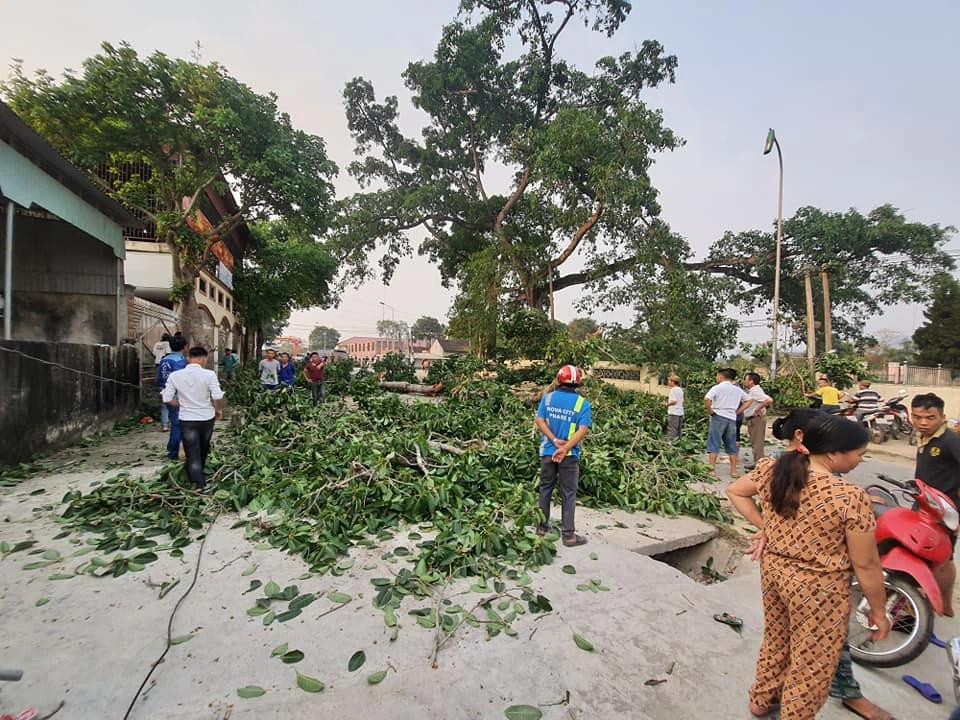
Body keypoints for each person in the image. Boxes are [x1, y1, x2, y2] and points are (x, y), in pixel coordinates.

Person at [729, 410, 896, 720]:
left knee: (777, 637)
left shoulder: (773, 469)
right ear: (834, 454)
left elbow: (735, 491)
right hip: (820, 590)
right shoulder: (848, 496)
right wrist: (878, 610)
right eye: (859, 454)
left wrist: (767, 527)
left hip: (775, 574)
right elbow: (867, 563)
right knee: (813, 660)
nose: (860, 460)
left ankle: (761, 700)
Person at [911, 392, 960, 617]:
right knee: (928, 556)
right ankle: (932, 605)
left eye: (930, 417)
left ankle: (941, 607)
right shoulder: (924, 437)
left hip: (944, 512)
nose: (923, 422)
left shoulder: (950, 441)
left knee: (943, 559)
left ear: (942, 417)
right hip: (923, 506)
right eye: (917, 416)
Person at [535, 365, 592, 548]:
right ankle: (568, 536)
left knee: (545, 489)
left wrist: (554, 441)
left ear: (559, 380)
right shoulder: (583, 404)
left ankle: (541, 529)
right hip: (569, 456)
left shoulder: (548, 398)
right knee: (568, 493)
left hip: (548, 452)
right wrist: (566, 448)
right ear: (578, 383)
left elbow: (539, 420)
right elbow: (583, 430)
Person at [161, 347, 225, 491]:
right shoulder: (209, 375)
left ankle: (196, 480)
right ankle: (199, 481)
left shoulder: (175, 376)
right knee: (203, 448)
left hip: (187, 418)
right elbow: (217, 396)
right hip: (206, 418)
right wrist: (219, 410)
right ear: (204, 359)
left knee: (192, 451)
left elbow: (167, 398)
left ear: (188, 358)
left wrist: (181, 404)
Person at [704, 368, 748, 477]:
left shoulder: (717, 388)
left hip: (718, 416)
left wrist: (710, 411)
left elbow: (707, 398)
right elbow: (748, 400)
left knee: (714, 443)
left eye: (717, 375)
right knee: (731, 444)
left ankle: (712, 470)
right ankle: (733, 471)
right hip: (732, 418)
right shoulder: (737, 389)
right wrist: (738, 411)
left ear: (721, 376)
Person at [156, 337, 187, 458]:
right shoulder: (180, 361)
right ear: (184, 347)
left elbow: (159, 378)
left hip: (164, 391)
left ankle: (165, 426)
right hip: (176, 394)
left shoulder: (164, 359)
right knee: (178, 423)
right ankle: (173, 451)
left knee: (170, 415)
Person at [740, 372, 773, 469]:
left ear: (751, 381)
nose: (744, 381)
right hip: (753, 419)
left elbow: (769, 400)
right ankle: (757, 463)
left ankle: (760, 465)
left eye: (746, 379)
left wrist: (758, 409)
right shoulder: (753, 391)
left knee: (757, 442)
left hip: (756, 419)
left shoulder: (755, 391)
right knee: (755, 442)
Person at [665, 374, 684, 440]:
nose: (668, 382)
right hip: (680, 412)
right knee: (678, 430)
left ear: (673, 382)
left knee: (672, 430)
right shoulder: (680, 389)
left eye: (669, 381)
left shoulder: (673, 390)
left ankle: (671, 445)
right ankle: (678, 443)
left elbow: (674, 401)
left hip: (673, 413)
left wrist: (666, 404)